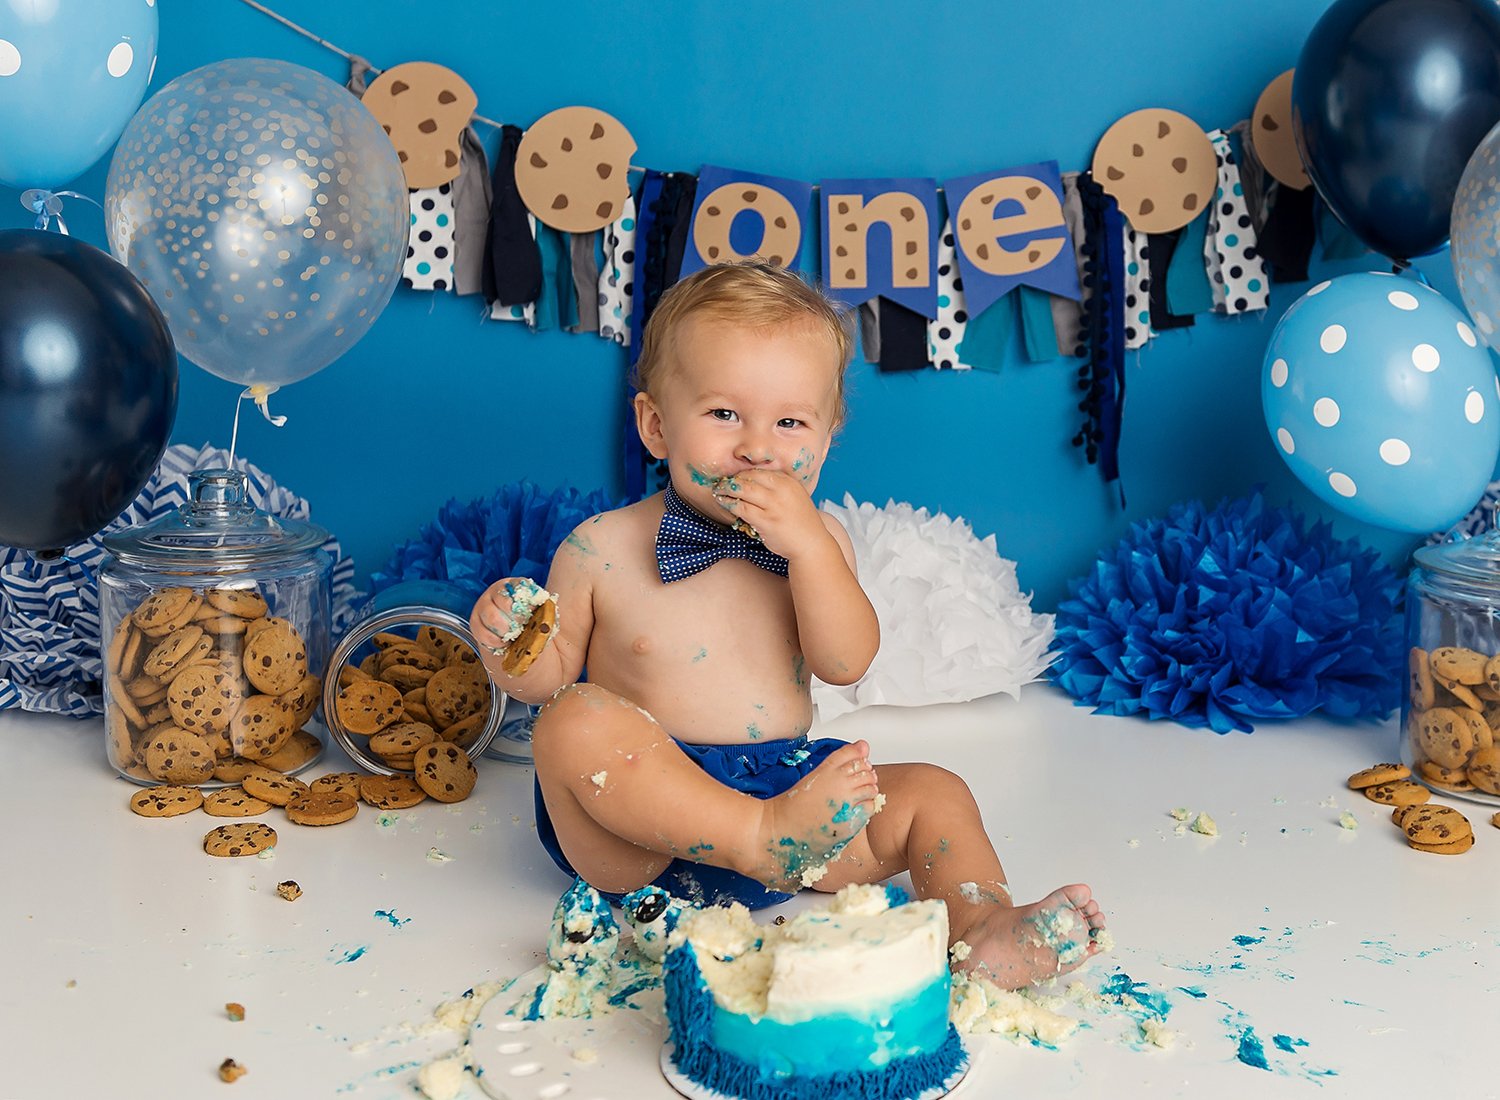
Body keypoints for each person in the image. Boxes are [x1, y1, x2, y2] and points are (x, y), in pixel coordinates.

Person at [471, 262, 1106, 988]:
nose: (758, 447)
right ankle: (751, 840)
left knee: (935, 789)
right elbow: (545, 681)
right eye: (723, 415)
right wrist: (510, 646)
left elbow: (846, 662)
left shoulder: (821, 543)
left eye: (790, 422)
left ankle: (982, 925)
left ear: (827, 437)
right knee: (570, 719)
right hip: (636, 828)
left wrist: (808, 551)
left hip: (791, 803)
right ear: (655, 425)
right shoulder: (601, 546)